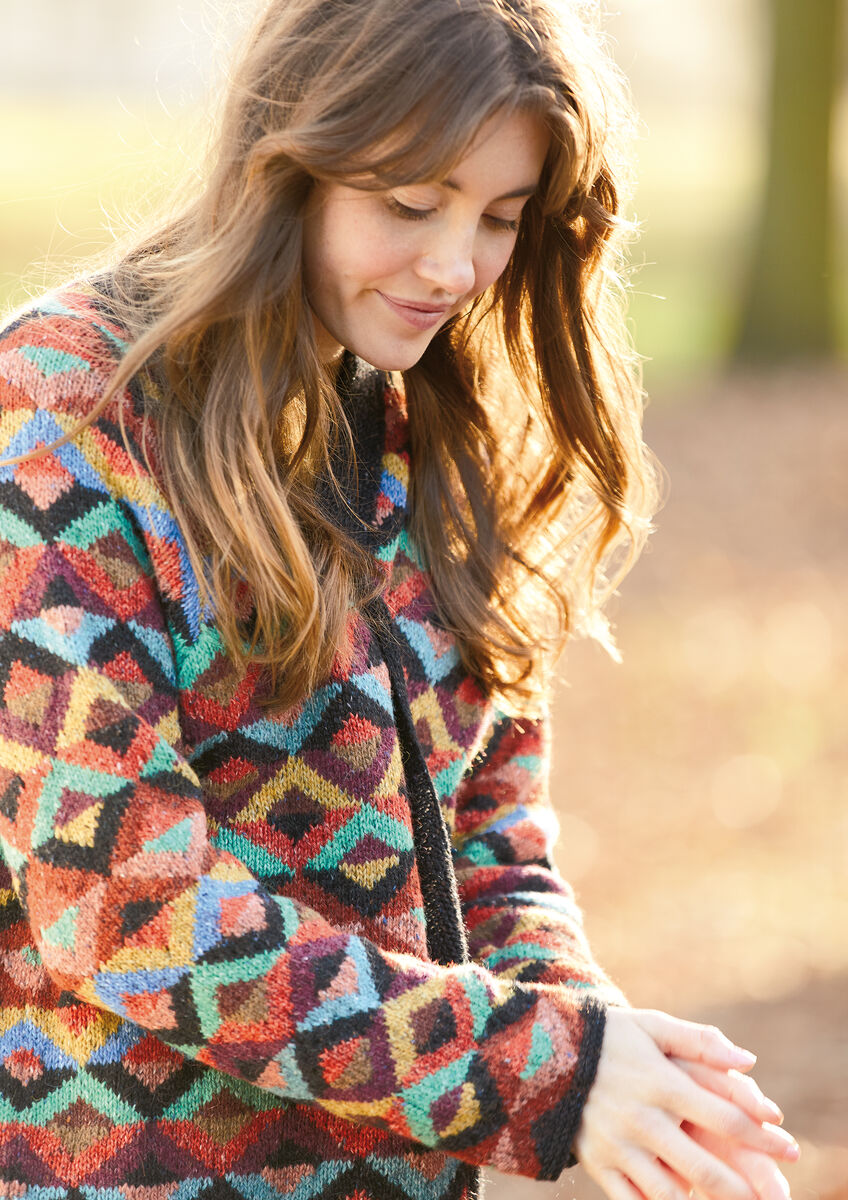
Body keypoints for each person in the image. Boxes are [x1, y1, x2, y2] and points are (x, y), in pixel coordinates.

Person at [0, 1, 797, 1198]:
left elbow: (487, 839)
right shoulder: (65, 411)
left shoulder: (431, 428)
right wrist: (541, 1071)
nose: (454, 267)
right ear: (286, 161)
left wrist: (619, 1067)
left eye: (499, 218)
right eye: (411, 204)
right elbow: (122, 907)